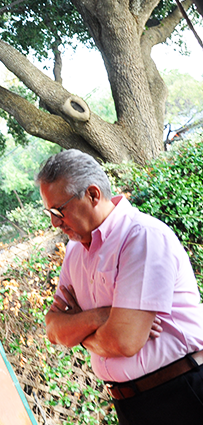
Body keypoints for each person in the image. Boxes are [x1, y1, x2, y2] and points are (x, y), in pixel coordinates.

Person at [36, 149, 203, 425]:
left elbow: (123, 341)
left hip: (181, 392)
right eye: (49, 212)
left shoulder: (142, 237)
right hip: (129, 405)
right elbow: (53, 330)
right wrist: (103, 316)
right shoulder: (74, 253)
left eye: (59, 210)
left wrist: (77, 330)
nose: (54, 222)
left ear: (92, 194)